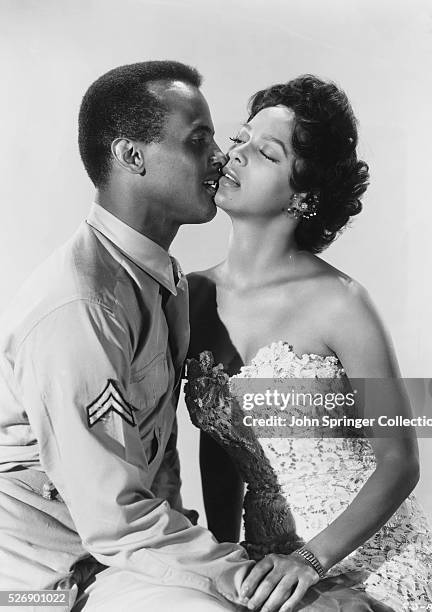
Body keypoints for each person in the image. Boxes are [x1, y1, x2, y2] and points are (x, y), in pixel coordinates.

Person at [0, 61, 394, 612]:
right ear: (132, 156)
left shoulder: (173, 284)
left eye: (260, 149)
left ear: (302, 193)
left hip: (164, 554)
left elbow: (412, 436)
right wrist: (259, 581)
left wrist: (298, 566)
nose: (222, 157)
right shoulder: (85, 306)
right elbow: (120, 517)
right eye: (204, 139)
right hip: (45, 581)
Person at [185, 75, 432, 612]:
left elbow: (399, 460)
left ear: (303, 194)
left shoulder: (342, 303)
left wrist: (310, 561)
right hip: (265, 558)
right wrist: (225, 552)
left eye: (266, 153)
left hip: (368, 557)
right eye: (241, 138)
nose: (235, 155)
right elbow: (219, 443)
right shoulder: (190, 295)